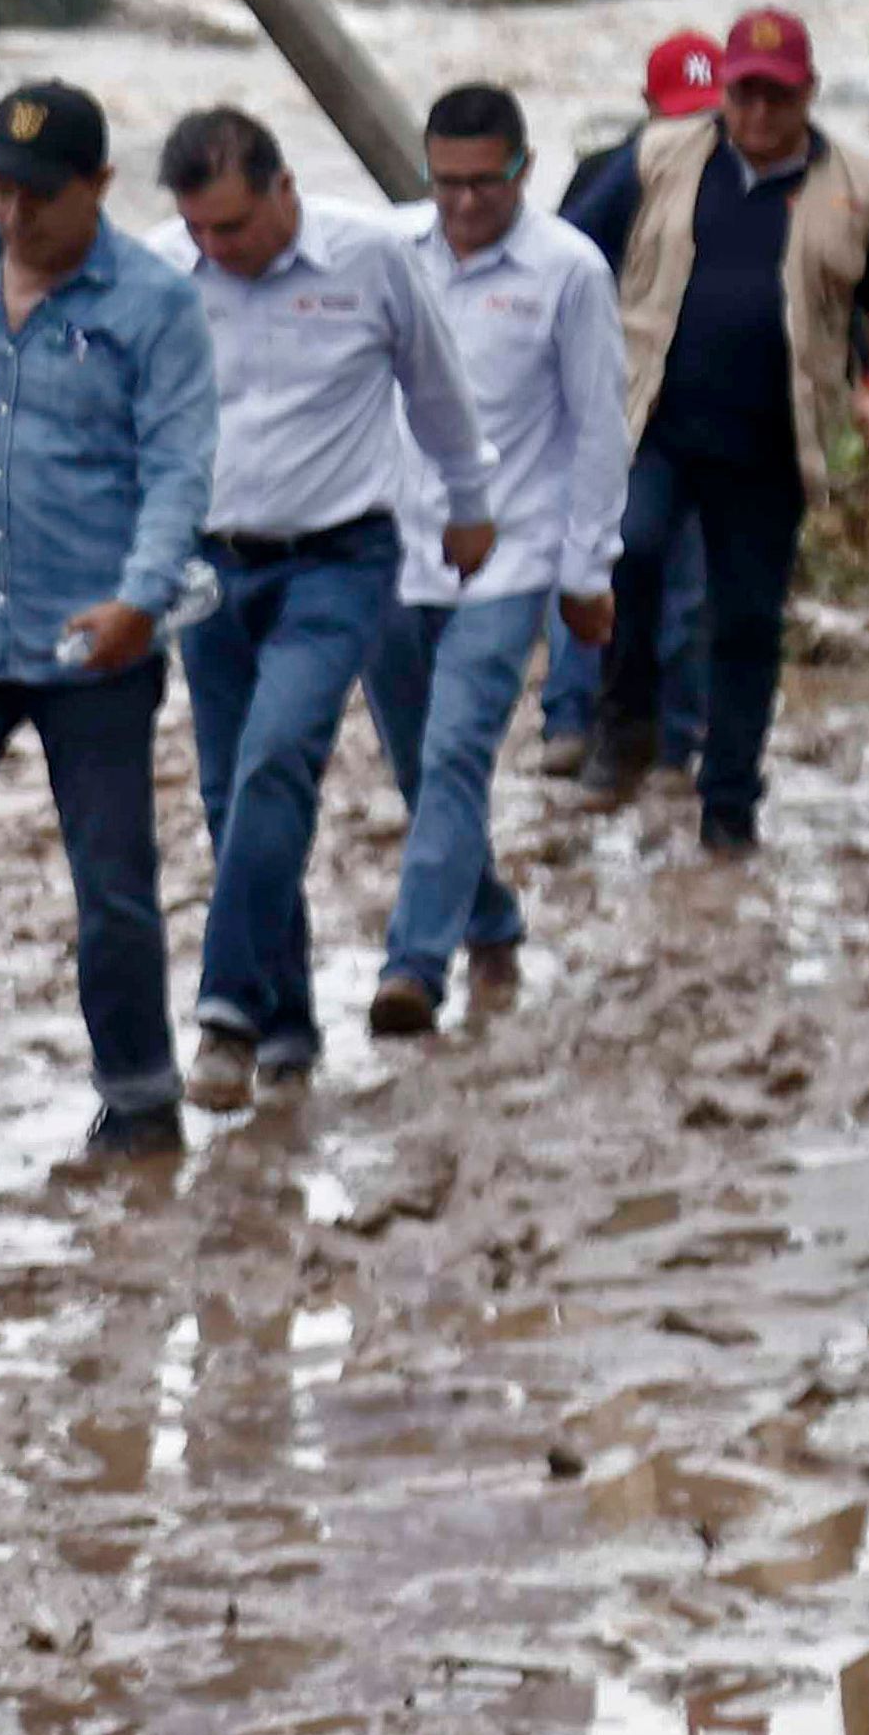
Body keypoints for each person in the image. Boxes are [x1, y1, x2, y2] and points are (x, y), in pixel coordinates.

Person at [0, 80, 216, 1188]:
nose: (15, 214)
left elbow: (177, 469)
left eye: (40, 195)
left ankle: (137, 1099)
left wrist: (140, 598)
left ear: (99, 187)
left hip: (90, 641)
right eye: (1, 189)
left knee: (108, 875)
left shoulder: (154, 306)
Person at [155, 108, 493, 1109]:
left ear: (280, 189)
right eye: (199, 233)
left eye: (232, 228)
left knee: (274, 757)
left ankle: (224, 1013)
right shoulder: (161, 269)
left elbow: (436, 391)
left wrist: (467, 510)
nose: (215, 250)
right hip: (206, 566)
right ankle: (289, 1029)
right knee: (230, 795)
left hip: (338, 559)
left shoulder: (370, 258)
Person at [564, 7, 869, 854]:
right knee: (633, 546)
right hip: (655, 419)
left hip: (770, 444)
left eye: (776, 96)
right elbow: (574, 255)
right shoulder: (658, 158)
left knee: (748, 622)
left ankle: (728, 802)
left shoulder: (856, 186)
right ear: (723, 91)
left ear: (809, 93)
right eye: (744, 95)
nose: (757, 115)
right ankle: (628, 719)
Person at [361, 88, 625, 1030]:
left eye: (486, 183)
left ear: (525, 168)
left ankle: (414, 968)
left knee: (456, 752)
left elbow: (600, 427)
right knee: (414, 765)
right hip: (392, 552)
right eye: (447, 183)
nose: (465, 204)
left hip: (511, 558)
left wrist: (588, 571)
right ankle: (491, 914)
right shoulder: (386, 251)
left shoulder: (569, 272)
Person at [538, 34, 723, 776]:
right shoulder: (608, 173)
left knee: (687, 585)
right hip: (610, 404)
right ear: (647, 108)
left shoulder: (751, 183)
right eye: (676, 116)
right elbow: (554, 272)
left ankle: (678, 738)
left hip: (703, 412)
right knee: (594, 560)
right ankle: (571, 720)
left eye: (705, 117)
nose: (688, 134)